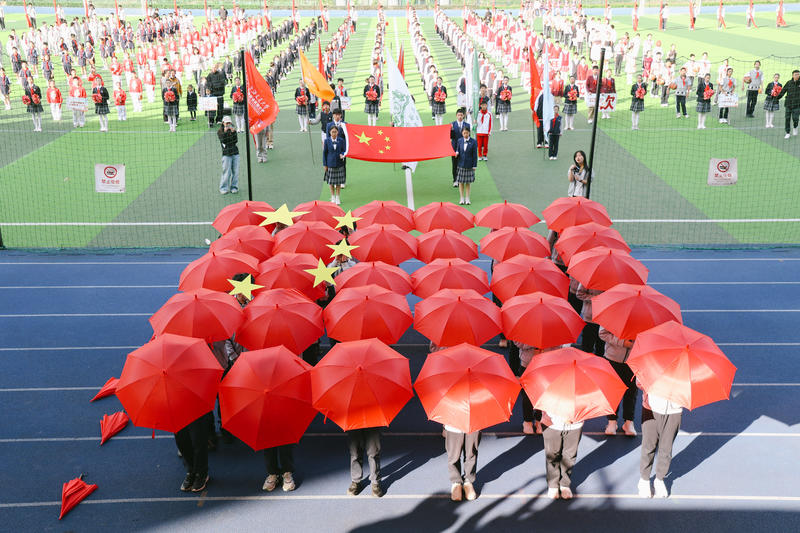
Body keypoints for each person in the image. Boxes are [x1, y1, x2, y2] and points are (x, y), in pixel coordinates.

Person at [637, 381, 682, 499]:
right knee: (648, 447)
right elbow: (639, 382)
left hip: (674, 410)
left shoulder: (684, 369)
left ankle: (659, 479)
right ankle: (644, 480)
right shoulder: (651, 367)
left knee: (666, 449)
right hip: (651, 408)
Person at [598, 326, 638, 437]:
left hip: (633, 360)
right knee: (612, 392)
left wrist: (635, 344)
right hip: (612, 359)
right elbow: (602, 333)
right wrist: (622, 342)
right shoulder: (612, 317)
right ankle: (612, 421)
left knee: (631, 391)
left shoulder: (644, 319)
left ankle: (629, 422)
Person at [542, 408, 583, 499]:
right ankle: (553, 485)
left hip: (575, 424)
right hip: (552, 423)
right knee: (552, 455)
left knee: (570, 456)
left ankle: (565, 484)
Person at [176, 411, 215, 492]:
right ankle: (191, 470)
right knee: (181, 439)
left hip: (196, 407)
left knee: (197, 438)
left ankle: (201, 473)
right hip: (176, 407)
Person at [444, 424, 480, 501]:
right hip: (453, 425)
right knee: (453, 457)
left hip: (474, 425)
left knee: (471, 455)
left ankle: (468, 482)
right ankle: (456, 483)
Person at [347, 427, 383, 497]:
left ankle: (375, 482)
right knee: (355, 453)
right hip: (355, 422)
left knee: (373, 452)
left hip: (372, 422)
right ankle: (356, 481)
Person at [323, 124, 347, 205]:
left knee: (338, 182)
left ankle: (338, 197)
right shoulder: (326, 141)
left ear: (338, 132)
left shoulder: (341, 140)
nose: (334, 133)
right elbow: (324, 153)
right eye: (332, 132)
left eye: (335, 132)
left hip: (339, 164)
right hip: (330, 164)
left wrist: (342, 154)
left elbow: (344, 150)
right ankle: (332, 196)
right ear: (330, 132)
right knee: (331, 182)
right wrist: (325, 164)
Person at [455, 126, 477, 206]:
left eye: (467, 133)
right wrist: (456, 152)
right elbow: (457, 149)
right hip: (461, 164)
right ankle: (461, 198)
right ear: (462, 133)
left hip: (469, 165)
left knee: (468, 183)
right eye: (464, 133)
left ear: (469, 133)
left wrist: (474, 166)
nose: (465, 135)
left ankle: (467, 198)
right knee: (460, 182)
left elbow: (475, 155)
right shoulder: (459, 140)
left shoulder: (473, 141)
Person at [218, 116, 240, 195]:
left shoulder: (233, 129)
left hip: (235, 153)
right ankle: (223, 188)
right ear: (223, 123)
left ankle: (234, 187)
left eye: (229, 122)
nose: (228, 124)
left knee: (235, 171)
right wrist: (225, 132)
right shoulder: (220, 132)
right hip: (226, 154)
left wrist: (233, 132)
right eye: (226, 123)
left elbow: (235, 141)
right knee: (226, 172)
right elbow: (224, 141)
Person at [776, 69, 800, 139]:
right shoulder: (789, 83)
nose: (797, 76)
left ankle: (795, 127)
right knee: (787, 119)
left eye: (798, 74)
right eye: (796, 74)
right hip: (788, 104)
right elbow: (783, 91)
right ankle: (787, 133)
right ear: (793, 75)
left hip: (797, 105)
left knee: (795, 119)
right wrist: (777, 98)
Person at [449, 108, 470, 187]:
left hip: (464, 147)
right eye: (458, 115)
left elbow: (468, 137)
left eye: (461, 115)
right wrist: (451, 130)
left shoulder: (467, 125)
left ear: (463, 116)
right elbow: (450, 137)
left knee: (463, 164)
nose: (460, 117)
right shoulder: (452, 124)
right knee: (455, 164)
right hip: (454, 148)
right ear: (456, 116)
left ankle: (462, 179)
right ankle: (455, 180)